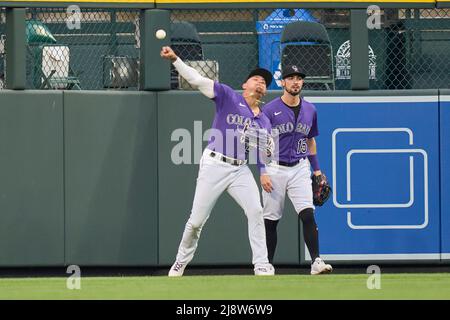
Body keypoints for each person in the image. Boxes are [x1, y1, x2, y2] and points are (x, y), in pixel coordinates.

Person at [160, 46, 275, 277]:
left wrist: (268, 152)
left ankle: (262, 264)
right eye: (255, 79)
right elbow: (197, 80)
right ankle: (180, 262)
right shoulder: (228, 96)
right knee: (196, 222)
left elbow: (266, 153)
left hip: (240, 169)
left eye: (264, 81)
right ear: (245, 85)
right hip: (214, 164)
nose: (260, 83)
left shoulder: (263, 120)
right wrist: (176, 60)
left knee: (255, 210)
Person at [261, 64, 333, 275]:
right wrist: (263, 171)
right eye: (290, 78)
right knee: (271, 220)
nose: (295, 82)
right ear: (282, 82)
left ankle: (316, 262)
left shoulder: (310, 109)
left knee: (308, 214)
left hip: (300, 168)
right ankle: (267, 265)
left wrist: (317, 170)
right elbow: (262, 143)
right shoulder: (269, 110)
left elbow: (310, 141)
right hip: (275, 168)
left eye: (299, 78)